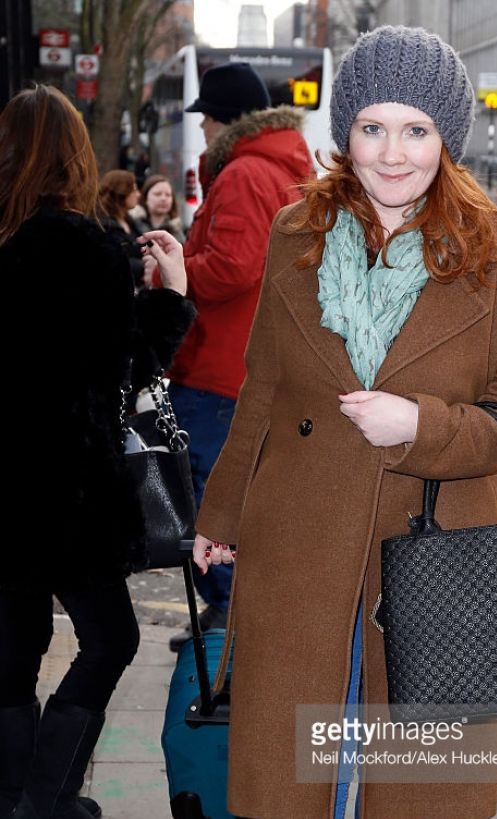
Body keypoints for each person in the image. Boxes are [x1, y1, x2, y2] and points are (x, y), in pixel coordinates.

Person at [192, 25, 497, 819]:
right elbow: (259, 386)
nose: (392, 150)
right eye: (370, 124)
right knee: (299, 754)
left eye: (415, 127)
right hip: (302, 533)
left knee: (405, 753)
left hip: (432, 540)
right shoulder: (298, 235)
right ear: (342, 128)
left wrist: (419, 428)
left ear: (450, 135)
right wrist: (219, 517)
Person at [0, 85, 196, 819]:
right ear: (74, 156)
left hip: (7, 485)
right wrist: (171, 295)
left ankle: (14, 794)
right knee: (109, 636)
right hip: (64, 485)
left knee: (14, 645)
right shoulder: (83, 246)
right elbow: (130, 364)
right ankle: (45, 802)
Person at [152, 61, 315, 650]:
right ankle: (234, 621)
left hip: (223, 362)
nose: (200, 130)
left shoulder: (245, 172)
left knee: (212, 493)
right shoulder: (282, 167)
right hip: (252, 360)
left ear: (225, 122)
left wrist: (169, 270)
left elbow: (232, 268)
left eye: (206, 119)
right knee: (237, 495)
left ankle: (228, 628)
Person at [99, 169, 145, 287]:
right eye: (134, 189)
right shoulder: (104, 226)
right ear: (121, 191)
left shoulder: (132, 222)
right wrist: (146, 265)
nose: (138, 194)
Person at [130, 173, 185, 243]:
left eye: (168, 195)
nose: (163, 198)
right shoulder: (133, 225)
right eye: (157, 194)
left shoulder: (176, 230)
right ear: (146, 198)